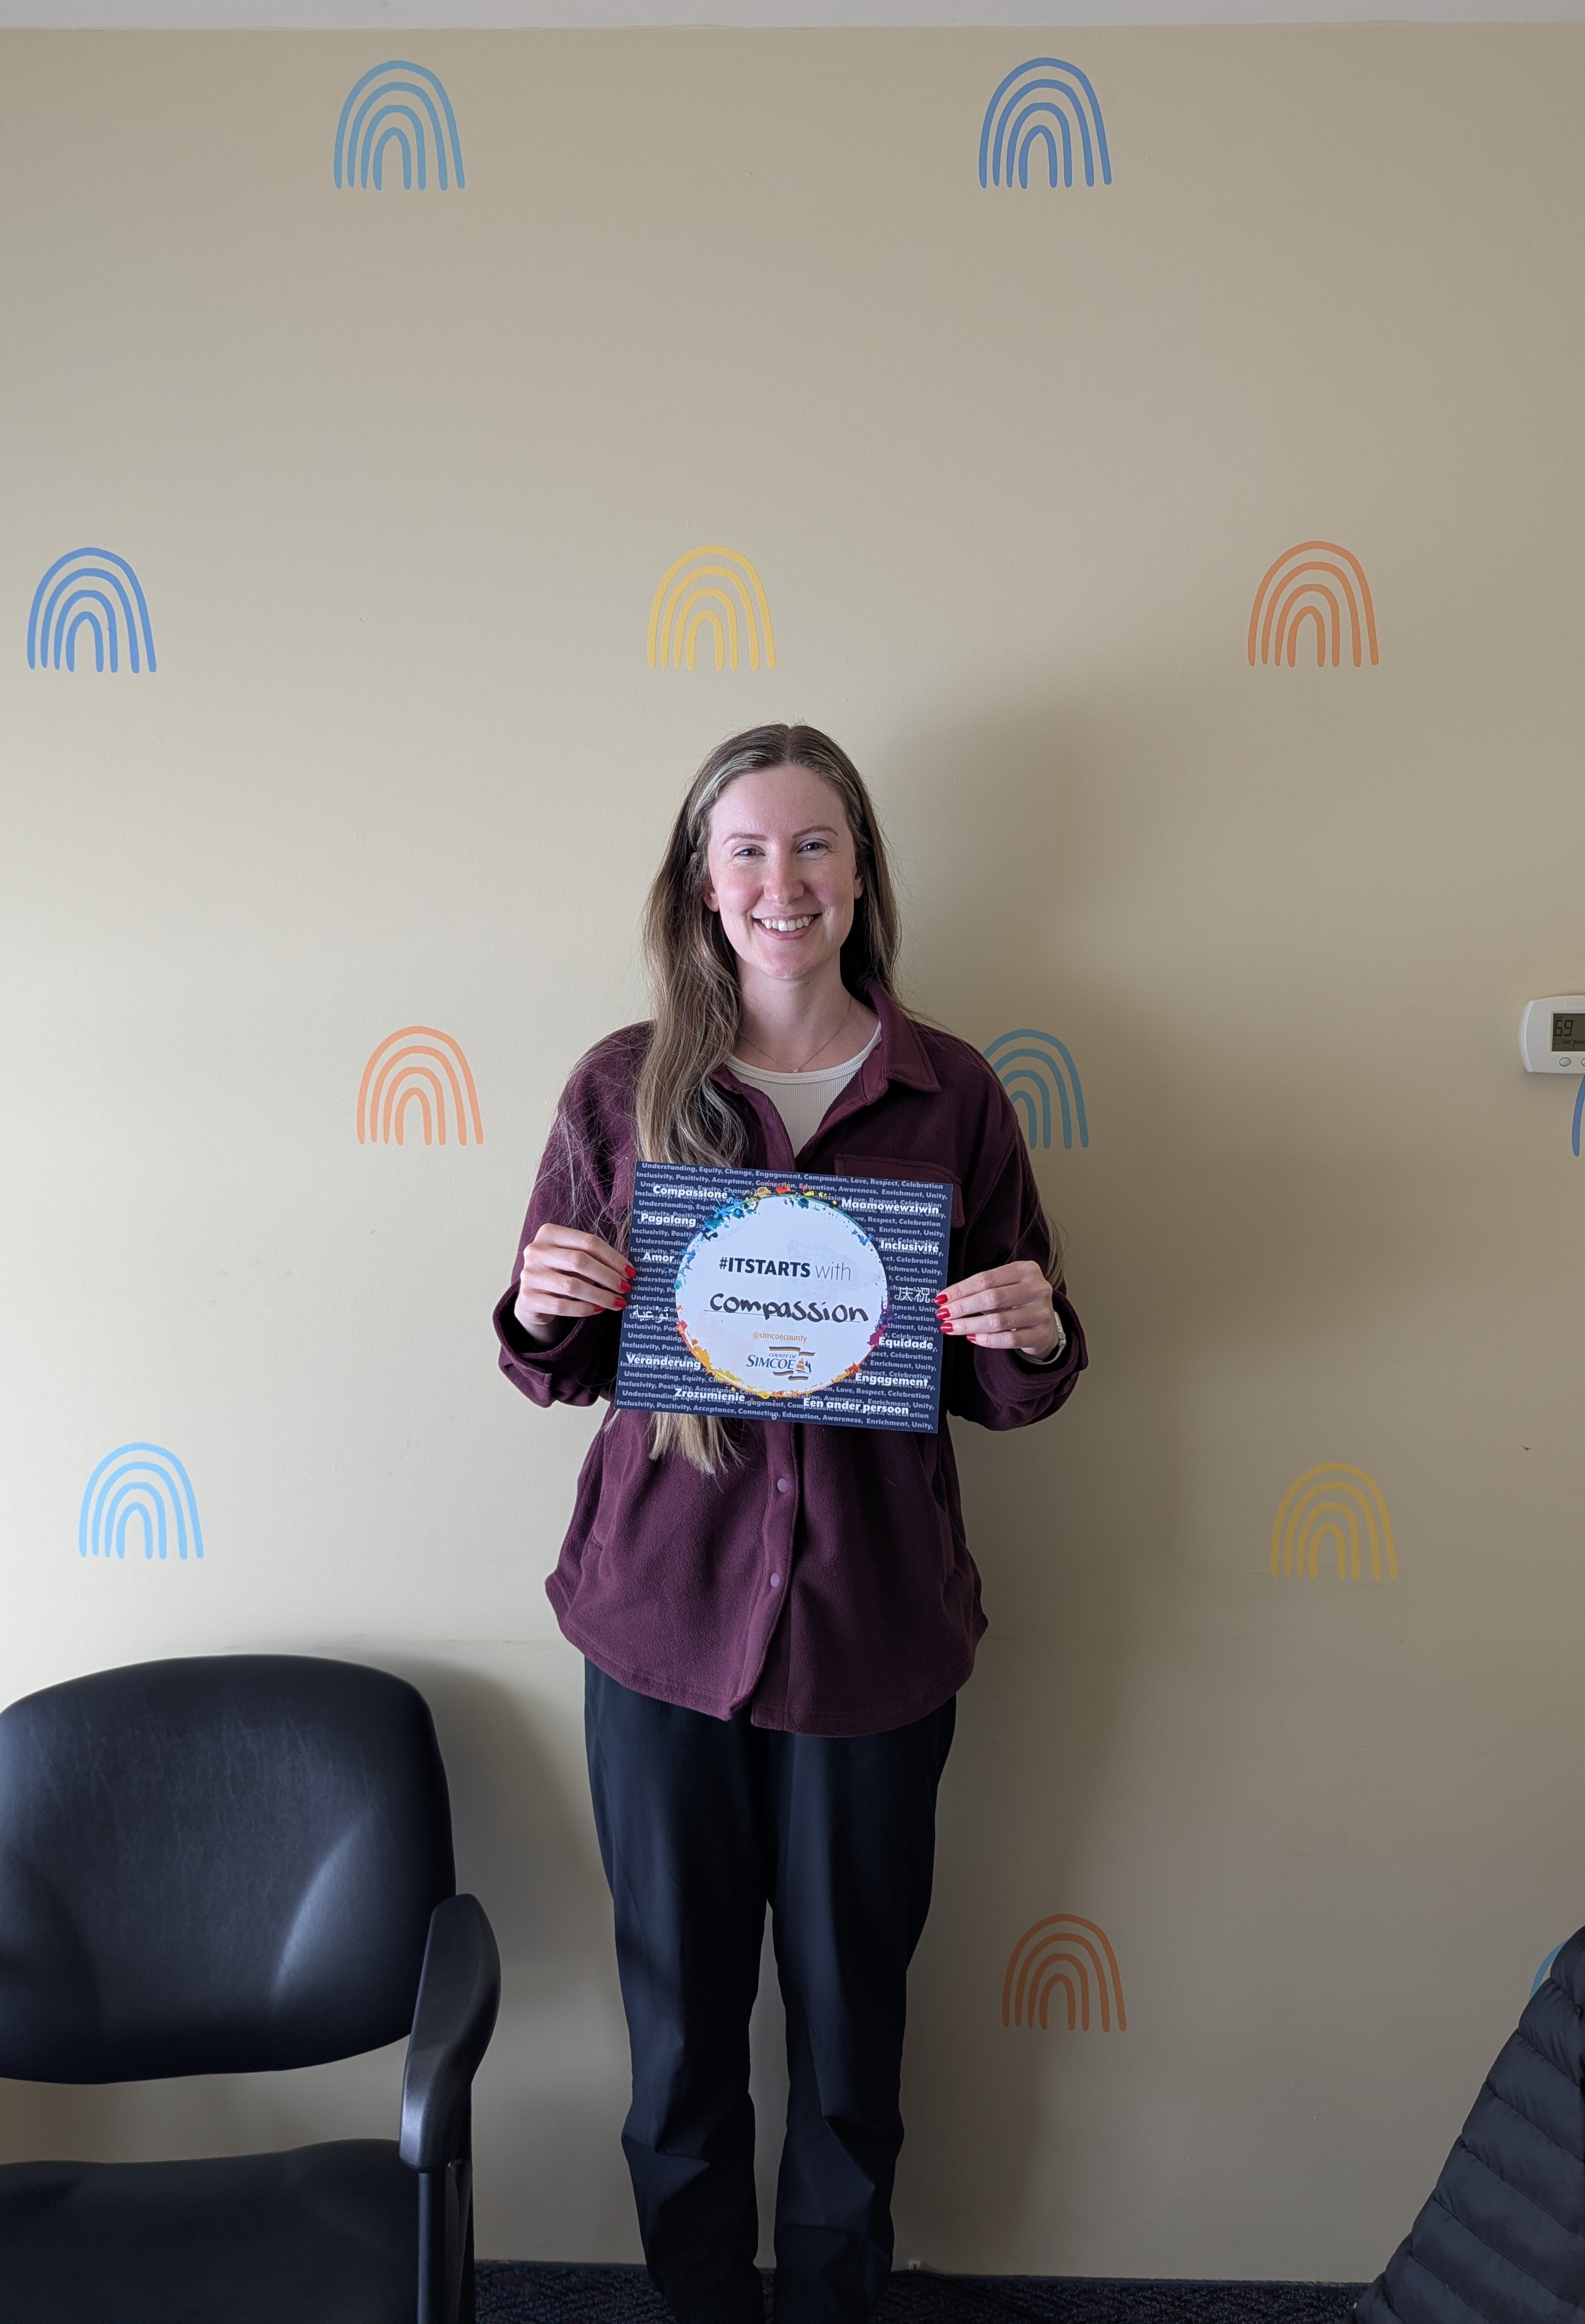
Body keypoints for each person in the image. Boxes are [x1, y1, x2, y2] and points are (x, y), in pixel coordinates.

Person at [494, 724, 1086, 2324]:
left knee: (848, 2039)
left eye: (815, 844)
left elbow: (1011, 1382)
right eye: (747, 850)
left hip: (873, 1638)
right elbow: (560, 1363)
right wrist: (545, 1306)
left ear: (863, 871)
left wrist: (1030, 1333)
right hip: (660, 1626)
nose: (783, 881)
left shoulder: (952, 1093)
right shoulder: (621, 1088)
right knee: (680, 2033)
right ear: (701, 884)